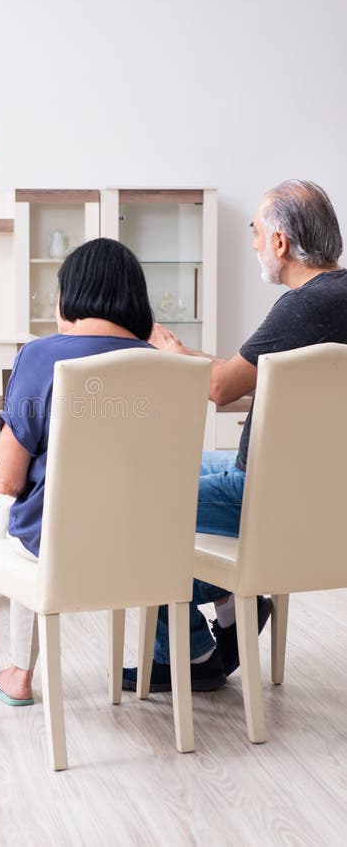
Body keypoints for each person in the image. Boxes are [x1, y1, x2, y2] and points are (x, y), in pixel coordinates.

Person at [0, 236, 228, 703]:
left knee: (23, 503)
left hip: (59, 546)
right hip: (150, 546)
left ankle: (12, 664)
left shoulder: (40, 356)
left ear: (68, 295)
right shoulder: (171, 365)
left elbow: (7, 480)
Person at [122, 179, 347, 691]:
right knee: (170, 465)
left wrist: (172, 357)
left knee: (140, 500)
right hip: (312, 485)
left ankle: (190, 655)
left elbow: (221, 388)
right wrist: (184, 353)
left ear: (281, 243)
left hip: (266, 491)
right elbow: (244, 374)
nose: (254, 244)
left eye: (256, 233)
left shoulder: (304, 306)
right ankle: (230, 608)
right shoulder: (334, 300)